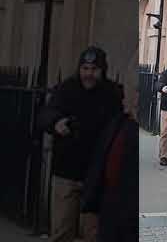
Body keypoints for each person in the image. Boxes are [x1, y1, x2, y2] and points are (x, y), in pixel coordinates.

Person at [38, 46, 123, 242]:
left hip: (96, 175)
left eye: (93, 69)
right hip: (66, 172)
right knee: (61, 231)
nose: (88, 74)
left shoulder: (111, 94)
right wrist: (56, 122)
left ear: (102, 70)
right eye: (85, 68)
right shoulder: (66, 89)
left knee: (92, 233)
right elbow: (45, 115)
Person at [82, 54, 139, 242]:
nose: (129, 96)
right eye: (130, 89)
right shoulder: (119, 123)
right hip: (109, 209)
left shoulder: (131, 129)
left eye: (136, 90)